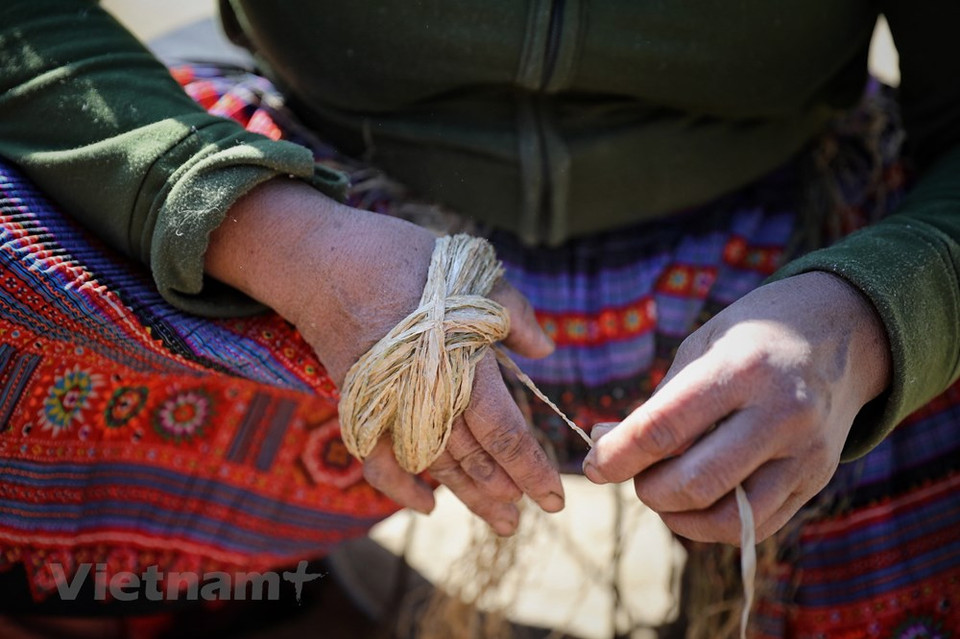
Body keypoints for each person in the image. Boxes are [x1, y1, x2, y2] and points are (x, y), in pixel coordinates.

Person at [0, 0, 957, 637]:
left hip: (793, 238)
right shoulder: (298, 236)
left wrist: (874, 320)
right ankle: (236, 610)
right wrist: (279, 239)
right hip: (325, 205)